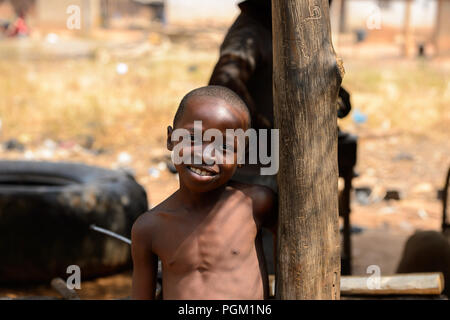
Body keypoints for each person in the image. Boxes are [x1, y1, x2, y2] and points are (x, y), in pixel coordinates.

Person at [131, 85, 277, 300]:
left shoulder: (255, 204)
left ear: (243, 156)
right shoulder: (148, 229)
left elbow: (295, 267)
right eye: (193, 139)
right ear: (171, 139)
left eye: (224, 147)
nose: (206, 156)